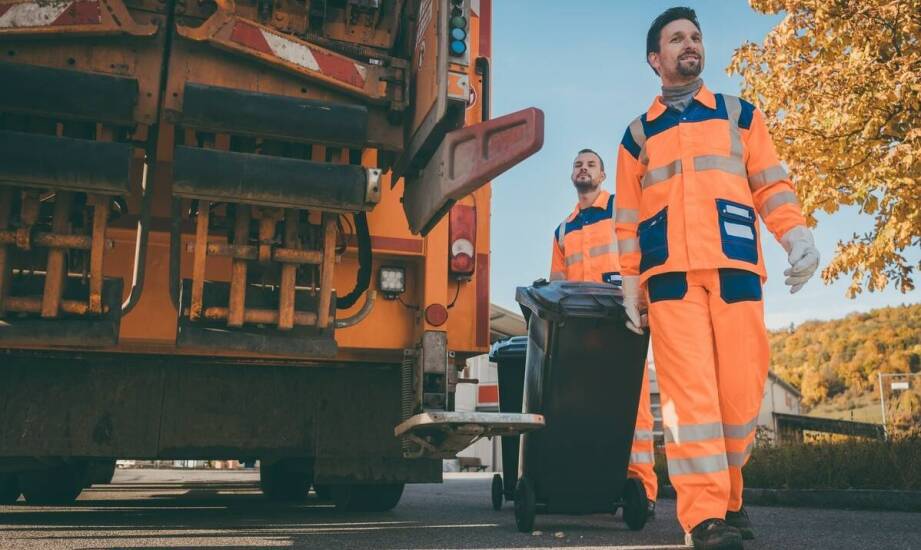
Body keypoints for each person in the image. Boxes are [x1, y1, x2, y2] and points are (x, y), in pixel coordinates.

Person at [613, 7, 820, 550]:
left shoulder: (740, 116)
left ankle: (729, 498)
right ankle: (703, 520)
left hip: (735, 272)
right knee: (690, 402)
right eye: (677, 38)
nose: (690, 44)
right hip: (672, 281)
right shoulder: (637, 136)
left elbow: (771, 185)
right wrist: (631, 284)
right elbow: (627, 220)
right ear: (655, 59)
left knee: (740, 396)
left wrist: (796, 235)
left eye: (696, 37)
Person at [550, 148, 658, 519]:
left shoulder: (622, 211)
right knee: (583, 407)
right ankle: (590, 485)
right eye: (577, 164)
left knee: (634, 407)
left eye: (590, 164)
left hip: (621, 317)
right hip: (581, 328)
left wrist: (643, 303)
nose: (583, 168)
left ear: (604, 175)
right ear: (571, 175)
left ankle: (641, 488)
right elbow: (557, 283)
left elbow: (644, 253)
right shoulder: (563, 229)